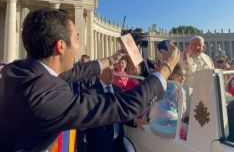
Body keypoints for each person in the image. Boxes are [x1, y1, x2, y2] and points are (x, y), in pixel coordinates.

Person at [0, 8, 180, 151]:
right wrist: (166, 69)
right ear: (61, 46)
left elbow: (76, 71)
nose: (78, 46)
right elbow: (121, 105)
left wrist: (110, 60)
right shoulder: (44, 97)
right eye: (76, 38)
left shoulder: (19, 70)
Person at [83, 67, 126, 152]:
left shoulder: (118, 90)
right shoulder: (90, 93)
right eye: (108, 71)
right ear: (99, 74)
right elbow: (83, 121)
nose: (111, 73)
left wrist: (134, 121)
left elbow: (122, 111)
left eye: (112, 70)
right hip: (99, 144)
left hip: (117, 142)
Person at [149, 64, 187, 138]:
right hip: (170, 131)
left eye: (184, 75)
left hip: (153, 126)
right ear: (171, 75)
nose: (183, 78)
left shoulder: (161, 85)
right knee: (189, 130)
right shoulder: (181, 90)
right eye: (179, 74)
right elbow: (182, 112)